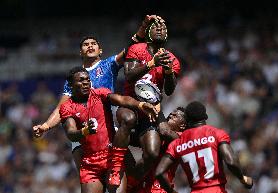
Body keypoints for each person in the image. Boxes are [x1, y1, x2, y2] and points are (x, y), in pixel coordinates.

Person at [32, 15, 164, 171]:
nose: (90, 46)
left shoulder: (108, 65)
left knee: (130, 171)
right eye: (85, 44)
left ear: (100, 50)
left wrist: (143, 27)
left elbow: (131, 47)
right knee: (88, 177)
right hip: (82, 132)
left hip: (107, 126)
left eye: (93, 43)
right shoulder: (74, 79)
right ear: (80, 52)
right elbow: (62, 108)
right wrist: (46, 126)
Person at [59, 66, 158, 193]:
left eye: (88, 80)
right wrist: (84, 131)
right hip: (90, 164)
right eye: (81, 80)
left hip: (111, 158)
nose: (86, 83)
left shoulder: (100, 93)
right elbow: (71, 133)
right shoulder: (67, 107)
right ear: (71, 85)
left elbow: (121, 99)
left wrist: (140, 105)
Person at [109, 18, 181, 186]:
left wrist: (169, 71)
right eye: (155, 27)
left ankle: (135, 179)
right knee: (128, 119)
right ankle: (115, 167)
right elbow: (129, 75)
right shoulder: (137, 49)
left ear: (166, 34)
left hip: (152, 108)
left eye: (163, 27)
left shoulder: (172, 58)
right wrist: (151, 63)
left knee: (152, 152)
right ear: (148, 32)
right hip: (129, 103)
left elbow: (169, 90)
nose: (159, 29)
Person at [155, 101, 254, 193]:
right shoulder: (217, 134)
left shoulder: (177, 143)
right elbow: (231, 162)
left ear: (188, 120)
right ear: (205, 117)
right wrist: (243, 178)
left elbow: (159, 172)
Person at [127, 107, 187, 193]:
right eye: (171, 113)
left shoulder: (181, 138)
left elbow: (165, 131)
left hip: (158, 188)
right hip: (141, 185)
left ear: (182, 125)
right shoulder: (158, 135)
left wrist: (156, 107)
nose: (171, 115)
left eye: (175, 116)